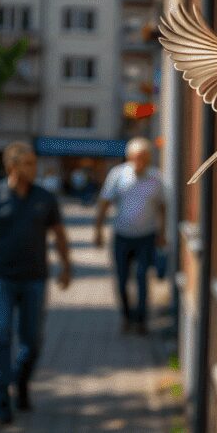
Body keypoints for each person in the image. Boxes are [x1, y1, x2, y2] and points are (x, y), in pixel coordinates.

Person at [0, 141, 72, 426]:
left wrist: (66, 266)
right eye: (28, 164)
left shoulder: (44, 198)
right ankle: (2, 402)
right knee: (0, 334)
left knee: (32, 342)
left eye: (35, 163)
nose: (34, 169)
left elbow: (59, 234)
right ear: (12, 167)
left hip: (35, 280)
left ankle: (21, 383)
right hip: (0, 279)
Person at [94, 137, 165, 335]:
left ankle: (141, 319)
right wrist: (98, 230)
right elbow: (104, 203)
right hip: (122, 236)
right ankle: (126, 316)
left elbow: (162, 207)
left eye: (144, 157)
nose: (140, 161)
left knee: (142, 277)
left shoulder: (155, 178)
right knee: (123, 279)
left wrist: (162, 233)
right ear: (129, 157)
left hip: (146, 236)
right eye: (136, 157)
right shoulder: (118, 175)